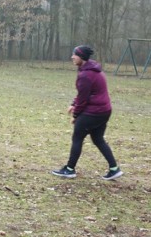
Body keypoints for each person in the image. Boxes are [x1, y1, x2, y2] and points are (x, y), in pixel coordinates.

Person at [51, 45, 123, 180]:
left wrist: (76, 115)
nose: (72, 57)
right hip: (104, 110)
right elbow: (84, 93)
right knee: (98, 139)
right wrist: (73, 103)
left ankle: (69, 169)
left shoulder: (86, 75)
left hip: (94, 112)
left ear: (81, 57)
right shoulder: (93, 69)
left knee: (77, 138)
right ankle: (114, 169)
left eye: (74, 55)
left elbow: (83, 99)